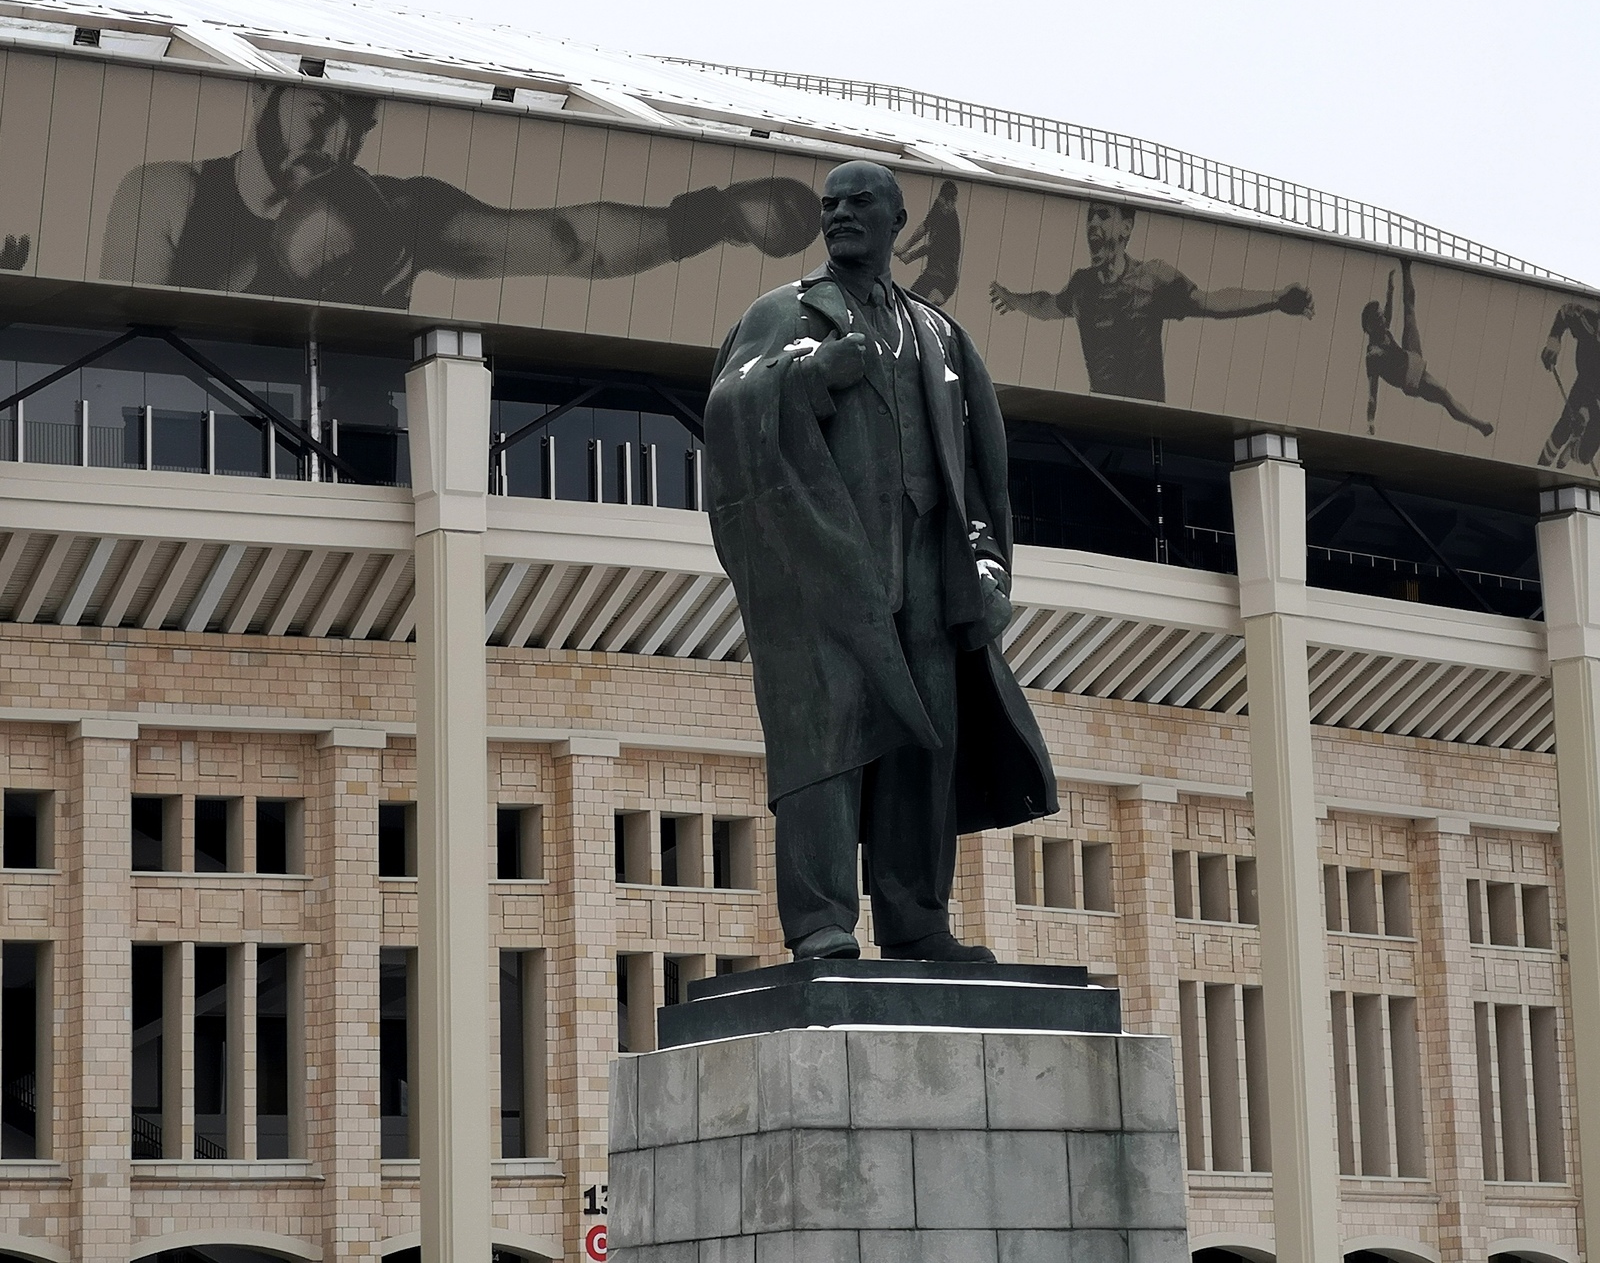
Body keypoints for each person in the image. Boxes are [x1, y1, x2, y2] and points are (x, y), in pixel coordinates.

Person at [704, 160, 1057, 963]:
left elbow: (975, 471)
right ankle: (822, 922)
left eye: (859, 202)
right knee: (824, 741)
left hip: (930, 574)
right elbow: (727, 412)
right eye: (829, 206)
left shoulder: (940, 335)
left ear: (900, 221)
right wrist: (807, 377)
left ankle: (915, 914)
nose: (839, 215)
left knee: (922, 746)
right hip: (830, 570)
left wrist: (988, 567)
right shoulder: (784, 314)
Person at [99, 80, 821, 308]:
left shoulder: (405, 213)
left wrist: (713, 216)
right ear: (265, 90)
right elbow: (128, 358)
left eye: (359, 130)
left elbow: (576, 247)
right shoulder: (169, 195)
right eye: (323, 117)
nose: (339, 149)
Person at [988, 200, 1314, 402]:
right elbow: (1047, 306)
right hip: (1104, 412)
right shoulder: (1082, 285)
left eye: (1102, 216)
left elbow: (1211, 302)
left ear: (1126, 228)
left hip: (1148, 416)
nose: (1093, 225)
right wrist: (1014, 299)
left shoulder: (1153, 277)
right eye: (1090, 218)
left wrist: (1275, 298)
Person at [1361, 260, 1493, 437]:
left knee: (1409, 309)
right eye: (1379, 319)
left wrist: (1390, 290)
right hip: (1409, 378)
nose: (1383, 320)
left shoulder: (1382, 329)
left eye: (1382, 317)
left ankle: (1406, 266)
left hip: (1409, 356)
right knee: (1444, 396)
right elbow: (1372, 393)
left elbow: (1388, 312)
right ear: (1369, 327)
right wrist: (1370, 421)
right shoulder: (1373, 355)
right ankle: (1478, 424)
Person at [1537, 300, 1600, 468]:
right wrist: (1553, 341)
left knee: (1585, 455)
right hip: (1585, 383)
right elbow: (1565, 313)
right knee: (1565, 426)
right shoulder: (1587, 323)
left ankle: (1573, 449)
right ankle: (1540, 467)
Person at [894, 179, 962, 305]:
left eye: (950, 203)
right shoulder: (938, 207)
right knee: (908, 304)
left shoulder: (951, 223)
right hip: (930, 274)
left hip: (945, 280)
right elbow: (924, 227)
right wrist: (904, 247)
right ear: (939, 198)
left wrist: (909, 256)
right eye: (944, 202)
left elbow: (932, 247)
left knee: (926, 306)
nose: (946, 207)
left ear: (954, 202)